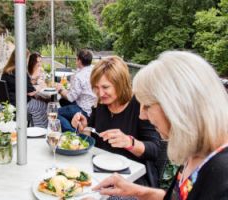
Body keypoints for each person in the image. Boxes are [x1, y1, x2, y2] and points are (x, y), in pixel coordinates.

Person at [91, 51, 228, 200]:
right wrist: (134, 191)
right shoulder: (195, 156)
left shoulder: (221, 176)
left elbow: (154, 149)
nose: (141, 115)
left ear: (177, 106)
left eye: (147, 106)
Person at [72, 56, 161, 186]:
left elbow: (155, 151)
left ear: (120, 84)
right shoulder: (101, 103)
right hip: (99, 171)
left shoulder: (140, 105)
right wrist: (84, 127)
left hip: (132, 179)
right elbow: (91, 135)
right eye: (96, 87)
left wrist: (129, 142)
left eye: (105, 87)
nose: (100, 93)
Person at [1, 49, 48, 128]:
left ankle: (36, 127)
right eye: (27, 58)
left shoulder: (8, 71)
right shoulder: (20, 71)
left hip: (10, 103)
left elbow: (21, 86)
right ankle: (40, 130)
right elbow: (31, 92)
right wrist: (41, 86)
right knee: (44, 106)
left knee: (41, 100)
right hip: (20, 104)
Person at [56, 49, 97, 132]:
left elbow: (71, 97)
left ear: (79, 60)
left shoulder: (79, 76)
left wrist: (60, 89)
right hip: (94, 108)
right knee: (63, 101)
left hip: (84, 110)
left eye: (76, 59)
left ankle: (72, 133)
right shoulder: (94, 70)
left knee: (54, 113)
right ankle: (73, 124)